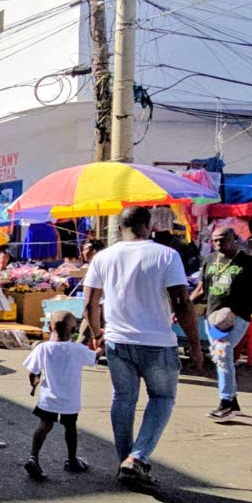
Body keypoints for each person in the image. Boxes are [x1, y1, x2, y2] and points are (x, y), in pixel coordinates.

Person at [83, 206, 202, 487]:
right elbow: (182, 302)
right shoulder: (166, 255)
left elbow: (89, 303)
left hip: (118, 342)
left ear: (120, 226)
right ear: (148, 225)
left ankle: (126, 459)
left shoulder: (103, 257)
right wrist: (195, 345)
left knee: (123, 399)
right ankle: (136, 459)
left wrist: (97, 333)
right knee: (161, 399)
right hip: (157, 343)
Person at [190, 227, 252, 420]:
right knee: (220, 356)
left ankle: (225, 402)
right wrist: (183, 308)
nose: (218, 243)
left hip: (237, 316)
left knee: (223, 353)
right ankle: (232, 402)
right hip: (213, 317)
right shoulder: (209, 261)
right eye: (215, 240)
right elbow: (200, 289)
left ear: (234, 239)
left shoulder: (250, 263)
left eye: (223, 239)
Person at [23, 310, 98, 480]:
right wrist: (101, 344)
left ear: (50, 327)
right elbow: (94, 358)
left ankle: (33, 457)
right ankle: (72, 460)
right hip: (69, 400)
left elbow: (33, 371)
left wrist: (33, 382)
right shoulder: (77, 349)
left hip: (48, 398)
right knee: (70, 428)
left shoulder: (43, 348)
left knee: (44, 426)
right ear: (73, 331)